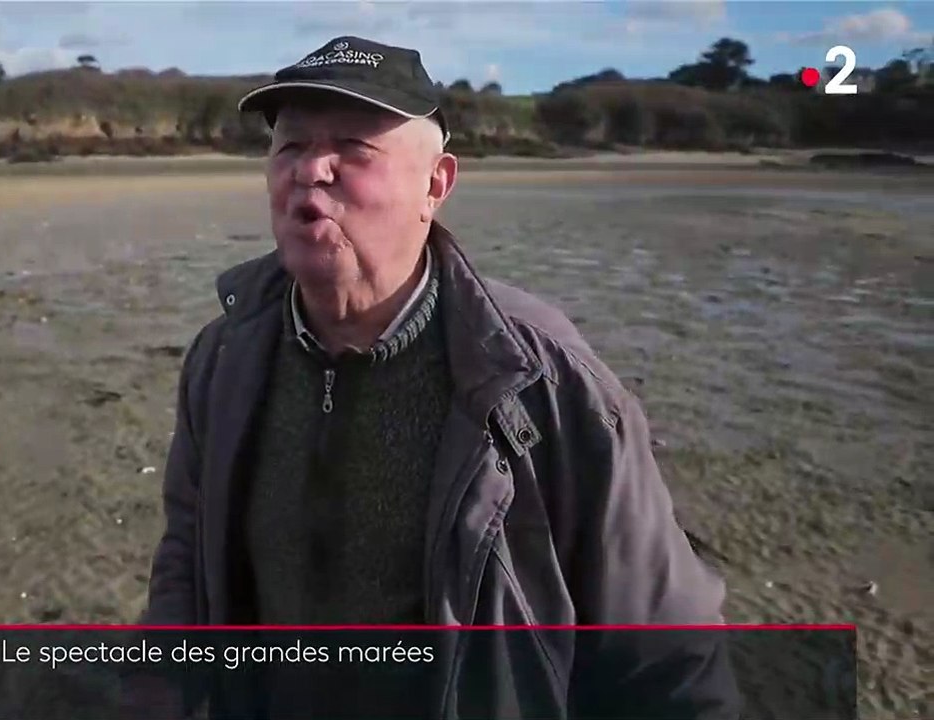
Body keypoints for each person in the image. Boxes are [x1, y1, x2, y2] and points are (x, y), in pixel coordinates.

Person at [135, 35, 740, 720]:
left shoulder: (543, 382)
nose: (310, 170)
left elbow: (667, 651)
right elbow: (186, 554)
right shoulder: (223, 358)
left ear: (435, 184)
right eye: (290, 146)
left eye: (353, 148)